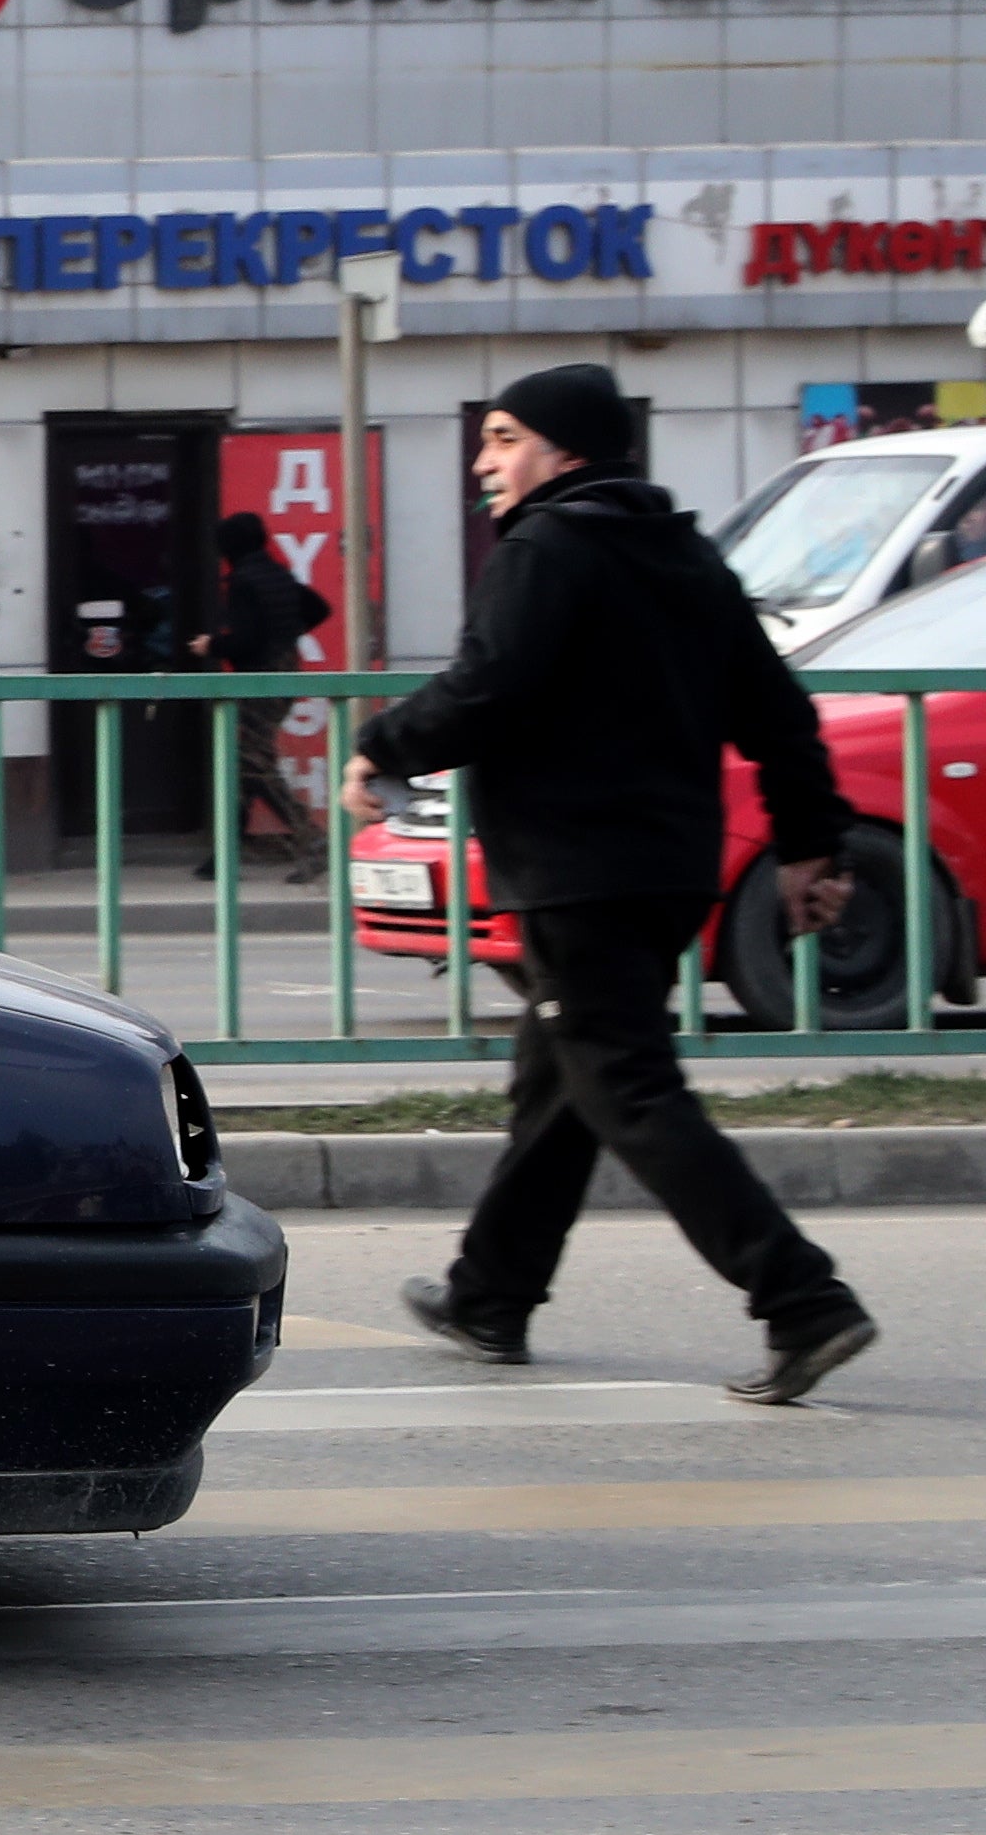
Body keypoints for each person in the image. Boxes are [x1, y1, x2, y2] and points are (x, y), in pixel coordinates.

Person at [345, 362, 876, 1406]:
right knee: (561, 1082)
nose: (483, 461)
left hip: (580, 874)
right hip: (666, 873)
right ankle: (490, 1294)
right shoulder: (686, 557)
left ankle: (801, 1299)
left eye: (502, 438)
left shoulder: (547, 547)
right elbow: (779, 716)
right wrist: (814, 844)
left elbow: (487, 686)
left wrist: (382, 747)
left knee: (625, 1085)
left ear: (563, 448)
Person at [187, 512, 335, 883]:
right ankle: (225, 854)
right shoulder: (276, 574)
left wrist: (211, 645)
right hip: (284, 673)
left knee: (254, 765)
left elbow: (244, 640)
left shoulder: (244, 581)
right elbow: (319, 607)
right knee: (244, 764)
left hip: (258, 681)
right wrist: (285, 634)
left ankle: (314, 841)